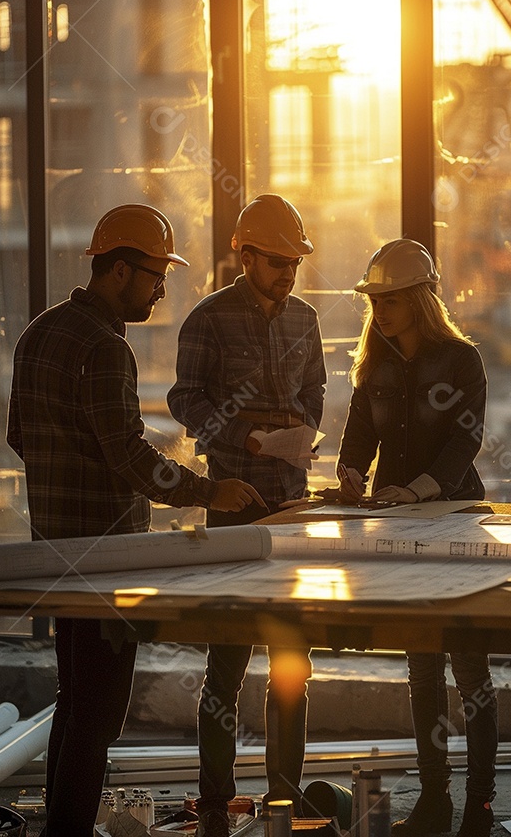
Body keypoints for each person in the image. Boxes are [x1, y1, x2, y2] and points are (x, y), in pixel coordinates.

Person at [6, 203, 264, 837]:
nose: (161, 291)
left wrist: (64, 474)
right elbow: (129, 456)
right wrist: (213, 492)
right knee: (99, 710)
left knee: (75, 697)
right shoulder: (106, 347)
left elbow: (19, 436)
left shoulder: (39, 332)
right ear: (118, 271)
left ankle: (62, 825)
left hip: (53, 552)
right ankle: (68, 829)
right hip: (105, 556)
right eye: (154, 276)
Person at [167, 193, 326, 837]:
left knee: (292, 656)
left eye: (294, 263)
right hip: (234, 502)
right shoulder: (208, 320)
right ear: (246, 254)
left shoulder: (305, 320)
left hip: (290, 502)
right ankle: (215, 801)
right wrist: (246, 438)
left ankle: (283, 798)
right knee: (227, 659)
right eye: (278, 262)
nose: (288, 273)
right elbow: (185, 399)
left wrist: (302, 424)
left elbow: (316, 388)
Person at [336, 239, 497, 837]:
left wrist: (419, 489)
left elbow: (466, 442)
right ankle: (436, 803)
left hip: (454, 518)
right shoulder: (371, 363)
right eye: (376, 299)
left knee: (470, 666)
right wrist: (350, 475)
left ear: (420, 300)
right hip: (398, 522)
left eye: (393, 299)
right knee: (423, 667)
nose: (381, 310)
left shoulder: (461, 361)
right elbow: (357, 437)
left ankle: (479, 808)